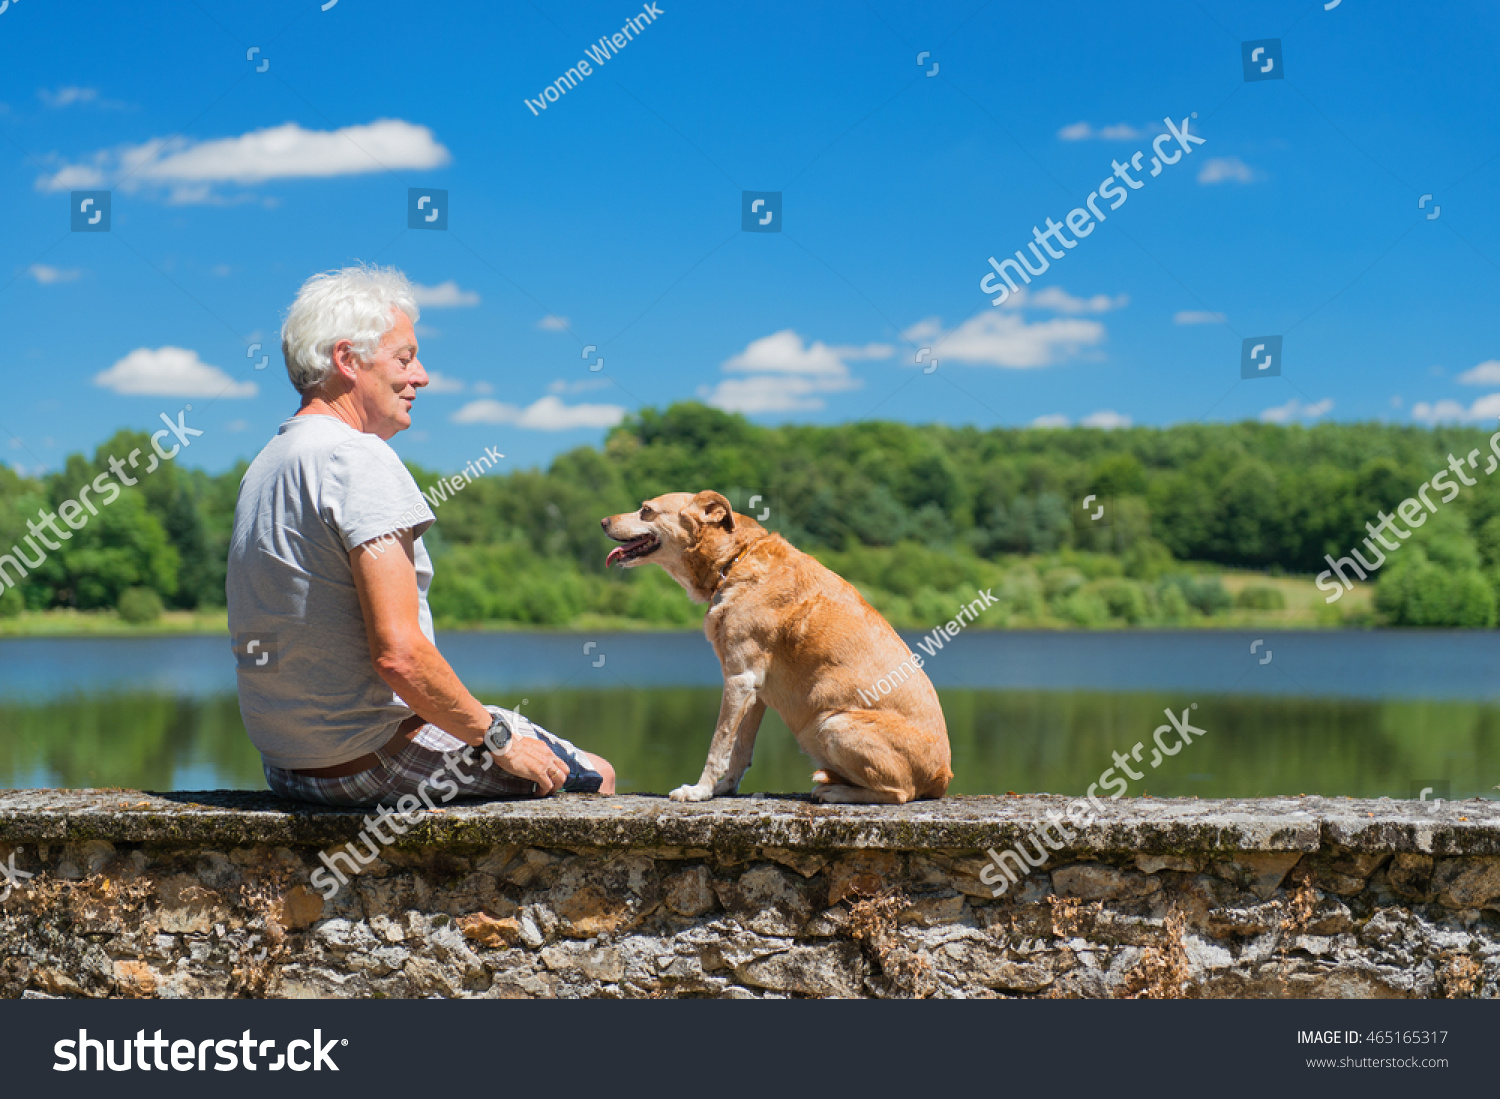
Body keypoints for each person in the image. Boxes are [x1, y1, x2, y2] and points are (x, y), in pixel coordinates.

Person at [227, 263, 614, 807]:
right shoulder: (356, 457)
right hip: (368, 761)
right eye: (404, 358)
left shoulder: (267, 462)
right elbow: (400, 656)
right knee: (594, 779)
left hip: (289, 769)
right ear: (347, 360)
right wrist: (495, 737)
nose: (422, 376)